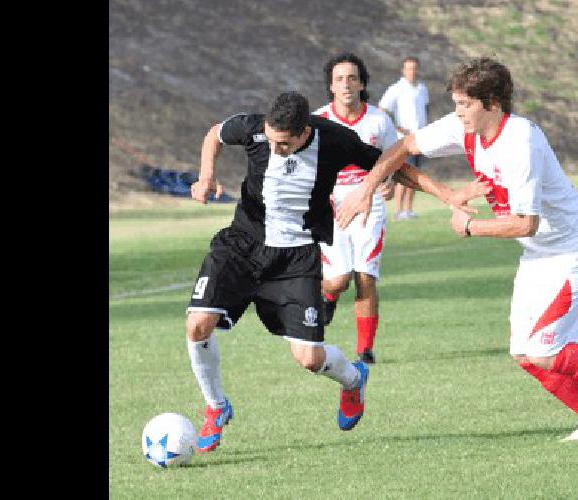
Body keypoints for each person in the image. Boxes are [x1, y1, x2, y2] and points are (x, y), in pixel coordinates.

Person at [338, 57, 578, 441]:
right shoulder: (466, 127)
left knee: (544, 351)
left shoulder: (520, 142)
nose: (457, 113)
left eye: (464, 104)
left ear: (491, 102)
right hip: (540, 254)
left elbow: (527, 223)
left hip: (574, 250)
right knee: (524, 353)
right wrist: (366, 188)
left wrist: (470, 226)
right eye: (455, 104)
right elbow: (404, 145)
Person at [182, 91, 428, 452]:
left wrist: (447, 195)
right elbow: (214, 134)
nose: (275, 148)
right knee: (197, 324)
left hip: (296, 257)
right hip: (242, 244)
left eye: (283, 144)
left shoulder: (334, 139)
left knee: (310, 359)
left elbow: (391, 164)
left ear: (302, 133)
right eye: (271, 139)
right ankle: (216, 407)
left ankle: (353, 381)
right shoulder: (254, 128)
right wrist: (206, 176)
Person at [312, 52, 400, 364]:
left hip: (370, 204)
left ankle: (364, 350)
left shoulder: (379, 120)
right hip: (331, 207)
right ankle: (329, 295)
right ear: (331, 86)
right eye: (339, 79)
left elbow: (394, 158)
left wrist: (389, 181)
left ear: (362, 84)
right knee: (339, 279)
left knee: (366, 276)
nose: (346, 84)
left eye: (352, 78)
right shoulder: (318, 122)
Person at [378, 56, 430, 220]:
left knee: (415, 174)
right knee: (403, 174)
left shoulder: (422, 88)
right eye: (408, 68)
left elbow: (425, 109)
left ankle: (408, 209)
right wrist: (397, 127)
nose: (412, 71)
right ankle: (399, 210)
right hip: (404, 139)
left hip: (420, 138)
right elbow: (383, 109)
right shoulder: (397, 88)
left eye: (414, 68)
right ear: (403, 70)